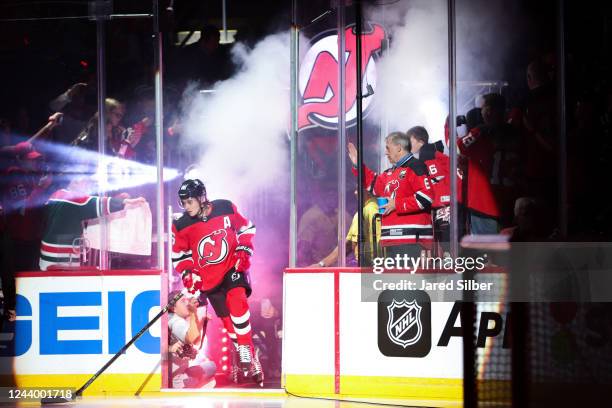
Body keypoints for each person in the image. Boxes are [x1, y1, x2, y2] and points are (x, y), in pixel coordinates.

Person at [171, 179, 263, 386]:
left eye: (189, 202)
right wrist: (188, 273)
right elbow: (179, 255)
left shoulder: (225, 207)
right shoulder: (181, 224)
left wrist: (243, 248)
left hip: (232, 267)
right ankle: (246, 353)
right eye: (183, 203)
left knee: (238, 301)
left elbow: (246, 228)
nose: (186, 207)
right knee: (228, 321)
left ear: (201, 198)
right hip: (209, 279)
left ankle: (246, 350)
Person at [348, 131, 434, 261]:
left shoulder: (416, 166)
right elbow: (373, 183)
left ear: (399, 147)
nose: (386, 153)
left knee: (411, 280)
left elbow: (426, 198)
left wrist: (396, 204)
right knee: (395, 281)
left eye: (388, 148)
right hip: (391, 240)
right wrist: (357, 165)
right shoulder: (389, 173)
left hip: (412, 240)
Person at [39, 177, 145, 271]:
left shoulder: (57, 195)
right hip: (60, 259)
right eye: (85, 183)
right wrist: (124, 202)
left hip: (50, 254)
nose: (88, 187)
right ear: (74, 183)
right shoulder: (72, 199)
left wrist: (117, 198)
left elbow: (79, 209)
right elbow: (89, 203)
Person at [407, 126, 452, 255]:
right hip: (444, 205)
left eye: (410, 141)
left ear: (420, 141)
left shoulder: (425, 158)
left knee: (444, 244)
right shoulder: (439, 156)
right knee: (444, 246)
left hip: (439, 206)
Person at [168, 290, 216, 389]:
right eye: (183, 301)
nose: (187, 303)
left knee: (210, 367)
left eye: (187, 300)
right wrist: (193, 312)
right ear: (173, 308)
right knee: (211, 368)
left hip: (180, 375)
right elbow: (192, 338)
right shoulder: (176, 322)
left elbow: (196, 340)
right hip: (179, 381)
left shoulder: (174, 319)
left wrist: (201, 321)